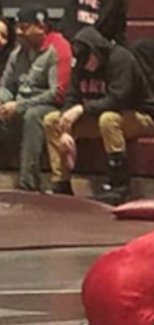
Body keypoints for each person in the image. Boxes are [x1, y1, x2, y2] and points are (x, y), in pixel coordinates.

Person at [43, 27, 154, 203]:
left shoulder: (121, 59)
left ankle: (119, 184)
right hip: (97, 117)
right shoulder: (80, 65)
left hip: (139, 117)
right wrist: (65, 128)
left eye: (88, 60)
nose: (86, 67)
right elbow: (71, 97)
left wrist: (82, 109)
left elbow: (118, 99)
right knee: (52, 120)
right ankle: (61, 182)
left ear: (96, 51)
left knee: (108, 119)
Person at [0, 4, 72, 192]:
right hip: (19, 104)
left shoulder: (58, 47)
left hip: (48, 106)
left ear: (41, 27)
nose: (18, 32)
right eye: (17, 27)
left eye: (24, 27)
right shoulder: (18, 52)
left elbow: (57, 93)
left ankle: (28, 184)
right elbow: (6, 86)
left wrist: (20, 105)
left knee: (33, 116)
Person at [59, 0, 128, 46]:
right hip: (75, 47)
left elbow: (118, 36)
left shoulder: (114, 4)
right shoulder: (72, 4)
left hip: (103, 51)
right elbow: (67, 31)